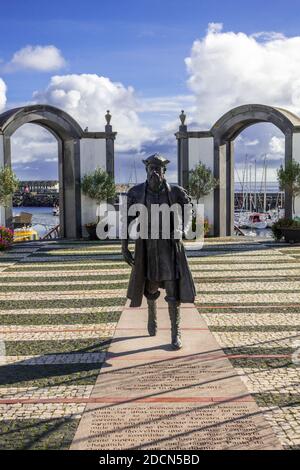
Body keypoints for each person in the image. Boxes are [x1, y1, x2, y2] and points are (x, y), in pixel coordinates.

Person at [121, 153, 196, 350]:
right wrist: (124, 247)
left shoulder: (176, 192)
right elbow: (126, 220)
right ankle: (152, 314)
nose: (154, 172)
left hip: (169, 247)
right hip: (146, 246)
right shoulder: (136, 192)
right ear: (146, 170)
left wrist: (184, 230)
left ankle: (175, 332)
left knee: (172, 290)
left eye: (158, 169)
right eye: (150, 168)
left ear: (164, 171)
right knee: (150, 285)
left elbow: (189, 211)